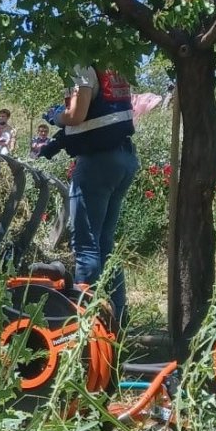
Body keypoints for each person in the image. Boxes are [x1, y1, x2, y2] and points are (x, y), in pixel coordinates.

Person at [46, 64, 140, 326]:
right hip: (124, 156)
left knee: (86, 246)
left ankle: (85, 324)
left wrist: (56, 116)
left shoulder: (81, 64)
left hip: (98, 163)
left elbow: (76, 114)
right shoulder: (112, 64)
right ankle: (118, 319)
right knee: (105, 244)